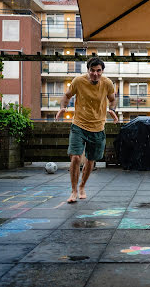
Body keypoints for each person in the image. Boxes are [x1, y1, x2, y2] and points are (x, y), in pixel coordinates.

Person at [56, 57, 118, 203]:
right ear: (88, 70)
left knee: (90, 160)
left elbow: (112, 99)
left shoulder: (107, 83)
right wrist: (63, 107)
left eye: (98, 71)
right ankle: (74, 190)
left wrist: (112, 109)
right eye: (92, 70)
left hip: (98, 127)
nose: (95, 74)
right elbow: (66, 95)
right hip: (79, 125)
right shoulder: (78, 81)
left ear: (102, 71)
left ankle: (82, 186)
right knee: (76, 157)